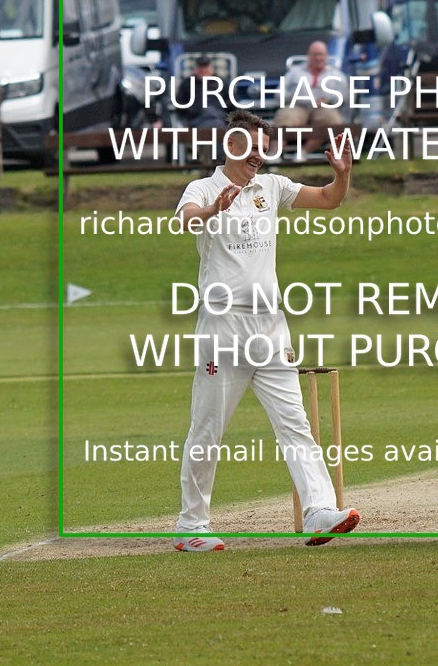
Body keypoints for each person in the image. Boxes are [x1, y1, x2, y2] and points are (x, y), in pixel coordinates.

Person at [173, 109, 359, 551]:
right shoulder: (202, 187)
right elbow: (185, 219)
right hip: (223, 325)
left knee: (295, 423)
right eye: (252, 146)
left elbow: (329, 200)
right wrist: (211, 208)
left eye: (264, 147)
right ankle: (191, 526)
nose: (259, 155)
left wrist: (343, 176)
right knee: (208, 427)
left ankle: (318, 511)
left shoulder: (271, 186)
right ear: (231, 144)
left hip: (270, 324)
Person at [274, 40, 350, 157]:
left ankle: (302, 154)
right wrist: (295, 97)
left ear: (326, 56)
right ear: (308, 56)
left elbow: (344, 95)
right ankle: (274, 155)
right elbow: (279, 93)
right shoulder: (294, 72)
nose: (318, 58)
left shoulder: (336, 75)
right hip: (297, 106)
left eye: (321, 54)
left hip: (324, 107)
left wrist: (328, 99)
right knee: (285, 117)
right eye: (315, 54)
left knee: (332, 119)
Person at [174, 54, 233, 130]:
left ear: (211, 69)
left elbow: (232, 103)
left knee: (216, 122)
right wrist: (191, 109)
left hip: (218, 117)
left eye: (206, 67)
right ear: (195, 69)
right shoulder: (187, 83)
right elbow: (180, 103)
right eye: (201, 68)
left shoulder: (221, 82)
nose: (204, 70)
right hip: (197, 118)